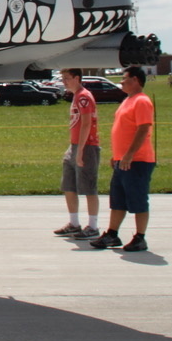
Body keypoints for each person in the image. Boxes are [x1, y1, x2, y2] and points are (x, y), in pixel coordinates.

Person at [91, 66, 155, 252]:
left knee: (138, 200)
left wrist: (129, 155)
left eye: (125, 78)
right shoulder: (128, 100)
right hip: (122, 160)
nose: (121, 81)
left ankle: (140, 237)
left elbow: (143, 129)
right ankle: (112, 234)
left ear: (135, 80)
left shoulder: (142, 101)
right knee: (118, 199)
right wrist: (117, 156)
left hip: (137, 161)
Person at [53, 68, 100, 239]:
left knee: (88, 187)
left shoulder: (84, 96)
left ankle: (93, 226)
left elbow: (87, 124)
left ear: (77, 78)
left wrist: (80, 151)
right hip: (74, 146)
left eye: (67, 78)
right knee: (69, 185)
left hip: (86, 146)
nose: (64, 81)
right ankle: (74, 223)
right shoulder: (76, 96)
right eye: (63, 78)